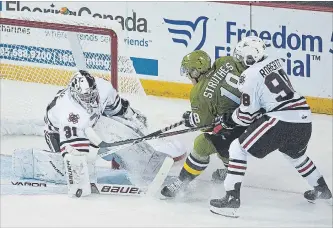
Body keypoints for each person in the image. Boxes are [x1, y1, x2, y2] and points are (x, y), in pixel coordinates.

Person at [210, 36, 332, 218]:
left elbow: (245, 115)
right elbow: (268, 99)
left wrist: (229, 119)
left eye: (242, 58)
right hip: (304, 119)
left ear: (249, 58)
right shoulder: (274, 62)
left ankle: (231, 199)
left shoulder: (248, 76)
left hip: (281, 120)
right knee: (295, 155)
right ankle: (322, 190)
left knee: (237, 148)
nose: (240, 62)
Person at [12, 70, 185, 197]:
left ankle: (142, 162)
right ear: (75, 94)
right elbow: (74, 152)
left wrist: (136, 123)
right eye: (85, 97)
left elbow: (119, 111)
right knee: (77, 160)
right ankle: (113, 160)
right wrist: (80, 171)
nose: (90, 100)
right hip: (58, 135)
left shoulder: (103, 88)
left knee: (120, 130)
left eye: (92, 95)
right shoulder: (70, 112)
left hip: (91, 124)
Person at [160, 50, 247, 198]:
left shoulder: (199, 93)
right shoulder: (225, 62)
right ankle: (229, 168)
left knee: (204, 143)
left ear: (196, 72)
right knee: (224, 132)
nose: (188, 76)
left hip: (240, 128)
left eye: (189, 73)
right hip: (257, 116)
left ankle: (183, 181)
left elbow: (206, 126)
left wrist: (193, 119)